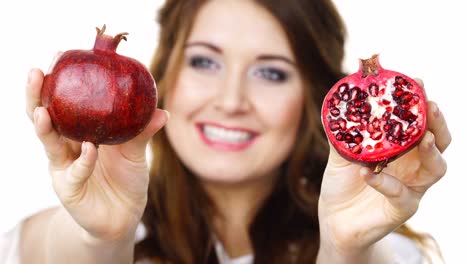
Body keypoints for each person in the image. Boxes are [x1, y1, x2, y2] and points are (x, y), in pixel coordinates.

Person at [1, 0, 451, 263]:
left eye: (271, 73)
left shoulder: (384, 255)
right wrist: (102, 238)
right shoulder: (45, 243)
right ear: (163, 74)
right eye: (204, 62)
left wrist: (343, 250)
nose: (231, 100)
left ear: (316, 96)